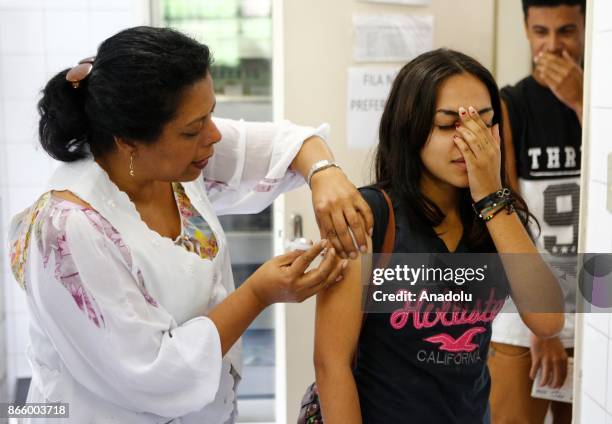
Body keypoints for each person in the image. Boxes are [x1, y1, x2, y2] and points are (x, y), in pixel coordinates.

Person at [7, 26, 374, 423]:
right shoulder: (66, 230)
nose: (213, 135)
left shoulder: (177, 159)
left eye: (211, 114)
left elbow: (285, 144)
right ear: (129, 141)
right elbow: (154, 374)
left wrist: (325, 173)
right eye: (193, 129)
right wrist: (258, 294)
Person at [313, 49, 565, 424]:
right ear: (410, 127)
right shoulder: (370, 216)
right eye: (449, 125)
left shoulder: (498, 216)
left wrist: (491, 197)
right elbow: (332, 364)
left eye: (483, 124)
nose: (468, 142)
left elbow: (548, 320)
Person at [489, 1, 584, 422]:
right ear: (526, 31)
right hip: (524, 312)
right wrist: (539, 326)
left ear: (585, 28)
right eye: (541, 32)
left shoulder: (602, 101)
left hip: (594, 305)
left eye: (566, 31)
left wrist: (582, 101)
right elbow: (506, 213)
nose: (553, 46)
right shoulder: (510, 104)